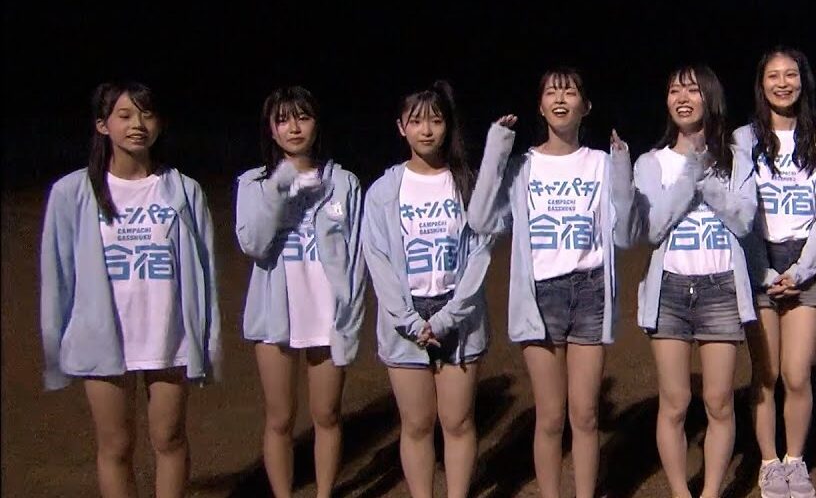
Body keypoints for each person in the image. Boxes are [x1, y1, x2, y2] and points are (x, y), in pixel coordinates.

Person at [41, 81, 220, 498]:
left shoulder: (183, 190)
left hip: (168, 334)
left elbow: (205, 270)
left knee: (170, 438)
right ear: (102, 125)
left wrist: (206, 339)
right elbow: (58, 275)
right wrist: (57, 341)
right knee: (116, 446)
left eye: (146, 114)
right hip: (104, 337)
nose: (137, 124)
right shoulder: (72, 193)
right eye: (124, 115)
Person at [467, 67, 635, 498]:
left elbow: (624, 234)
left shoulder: (600, 163)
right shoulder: (522, 166)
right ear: (540, 107)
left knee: (586, 415)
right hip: (540, 296)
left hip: (590, 291)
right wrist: (496, 148)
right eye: (551, 92)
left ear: (586, 106)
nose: (561, 99)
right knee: (551, 417)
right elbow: (481, 219)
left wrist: (621, 169)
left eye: (570, 91)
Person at [363, 82, 495, 498]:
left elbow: (480, 254)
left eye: (435, 120)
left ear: (448, 126)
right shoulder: (383, 191)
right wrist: (407, 319)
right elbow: (377, 259)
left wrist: (448, 316)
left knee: (458, 422)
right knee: (417, 425)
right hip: (407, 321)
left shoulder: (466, 183)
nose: (426, 130)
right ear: (400, 127)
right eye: (416, 121)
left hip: (459, 316)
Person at [632, 65, 757, 498]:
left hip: (721, 287)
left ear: (710, 98)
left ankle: (711, 492)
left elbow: (743, 220)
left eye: (692, 90)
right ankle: (680, 493)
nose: (682, 98)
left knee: (719, 401)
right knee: (675, 402)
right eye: (674, 90)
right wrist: (691, 174)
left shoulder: (735, 159)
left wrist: (708, 179)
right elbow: (652, 229)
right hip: (669, 289)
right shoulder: (650, 163)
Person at [235, 86, 365, 498]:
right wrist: (278, 188)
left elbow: (357, 255)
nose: (294, 128)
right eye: (283, 120)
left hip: (328, 315)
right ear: (271, 130)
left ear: (317, 123)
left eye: (303, 117)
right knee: (280, 418)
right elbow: (254, 243)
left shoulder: (343, 182)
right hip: (275, 315)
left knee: (327, 414)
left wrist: (350, 314)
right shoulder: (253, 183)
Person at [738, 46, 816, 498]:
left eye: (791, 75)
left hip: (806, 263)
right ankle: (768, 463)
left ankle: (794, 460)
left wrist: (802, 270)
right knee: (765, 374)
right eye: (773, 76)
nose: (782, 83)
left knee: (797, 373)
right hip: (758, 261)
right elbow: (738, 211)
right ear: (761, 84)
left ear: (803, 81)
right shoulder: (741, 141)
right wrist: (762, 270)